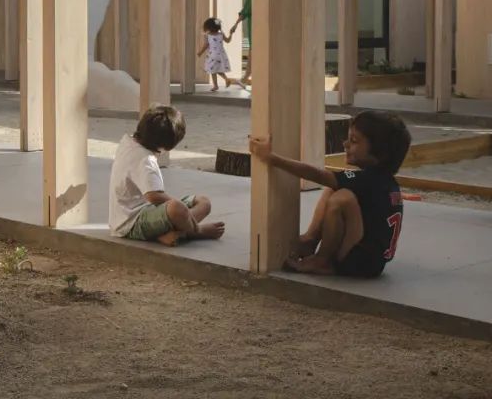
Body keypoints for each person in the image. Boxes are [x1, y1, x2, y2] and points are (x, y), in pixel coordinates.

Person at [249, 110, 411, 276]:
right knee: (335, 188)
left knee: (341, 199)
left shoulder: (369, 180)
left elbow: (318, 175)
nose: (345, 144)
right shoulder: (384, 182)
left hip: (361, 264)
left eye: (354, 141)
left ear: (380, 153)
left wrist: (272, 158)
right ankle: (310, 240)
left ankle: (322, 260)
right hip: (371, 261)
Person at [109, 104, 225, 245]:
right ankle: (194, 231)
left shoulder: (128, 141)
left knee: (203, 202)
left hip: (143, 213)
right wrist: (182, 210)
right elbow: (154, 196)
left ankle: (172, 233)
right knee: (177, 208)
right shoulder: (145, 160)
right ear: (168, 145)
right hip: (131, 223)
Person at [197, 17, 246, 92]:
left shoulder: (207, 35)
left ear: (208, 27)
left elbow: (205, 45)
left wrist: (200, 52)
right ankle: (226, 80)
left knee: (213, 70)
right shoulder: (221, 34)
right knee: (216, 69)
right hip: (221, 55)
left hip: (212, 55)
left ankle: (216, 85)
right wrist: (231, 34)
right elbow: (228, 41)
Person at [228, 0, 253, 81]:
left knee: (253, 49)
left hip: (255, 24)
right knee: (253, 49)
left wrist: (236, 24)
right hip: (257, 23)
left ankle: (247, 75)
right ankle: (247, 75)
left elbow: (247, 9)